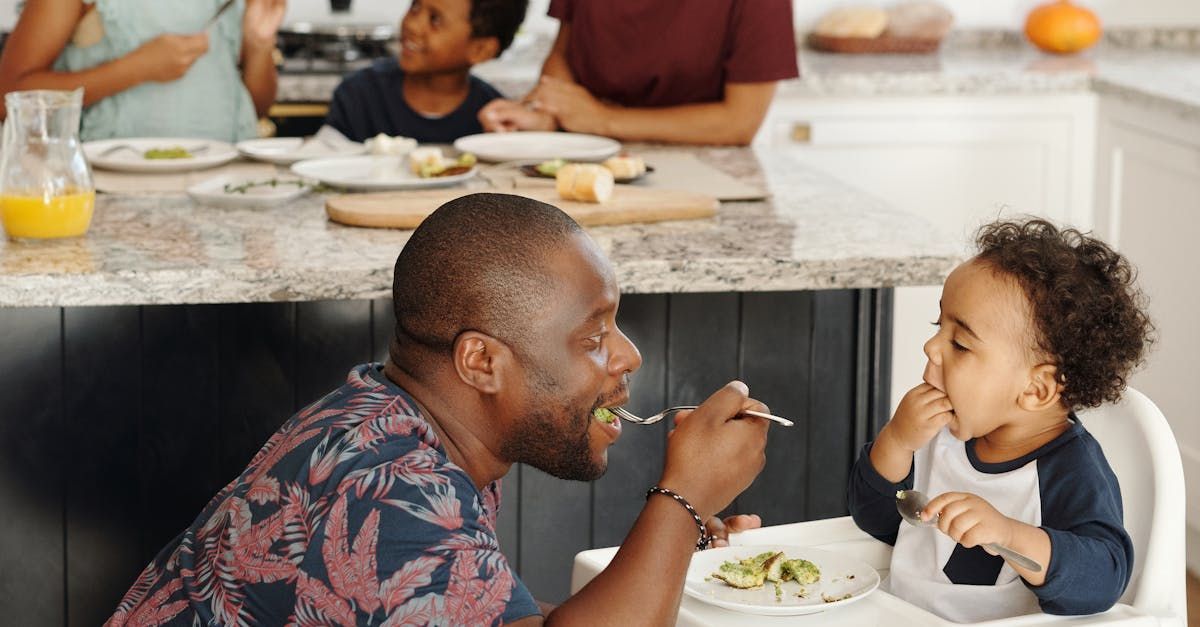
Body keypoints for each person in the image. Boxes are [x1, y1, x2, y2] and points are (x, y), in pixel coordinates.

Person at [105, 193, 771, 626]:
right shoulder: (389, 488)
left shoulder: (387, 415)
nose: (628, 356)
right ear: (481, 361)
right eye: (593, 337)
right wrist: (681, 502)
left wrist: (675, 544)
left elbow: (476, 611)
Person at [847, 219, 1153, 622]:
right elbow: (878, 521)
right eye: (939, 327)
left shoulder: (1072, 471)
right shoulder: (937, 431)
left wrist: (1008, 533)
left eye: (959, 343)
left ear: (1035, 390)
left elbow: (1103, 579)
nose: (931, 346)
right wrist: (897, 443)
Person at [477, 0, 798, 145]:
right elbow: (564, 52)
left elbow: (739, 122)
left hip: (703, 165)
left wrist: (603, 120)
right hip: (587, 151)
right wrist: (547, 114)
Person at [0, 0, 284, 142]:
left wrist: (259, 46)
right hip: (110, 197)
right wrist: (136, 69)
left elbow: (257, 107)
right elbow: (8, 99)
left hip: (223, 192)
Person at [324, 0, 526, 143]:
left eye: (435, 19)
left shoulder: (494, 121)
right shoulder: (357, 96)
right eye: (415, 6)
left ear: (480, 49)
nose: (412, 24)